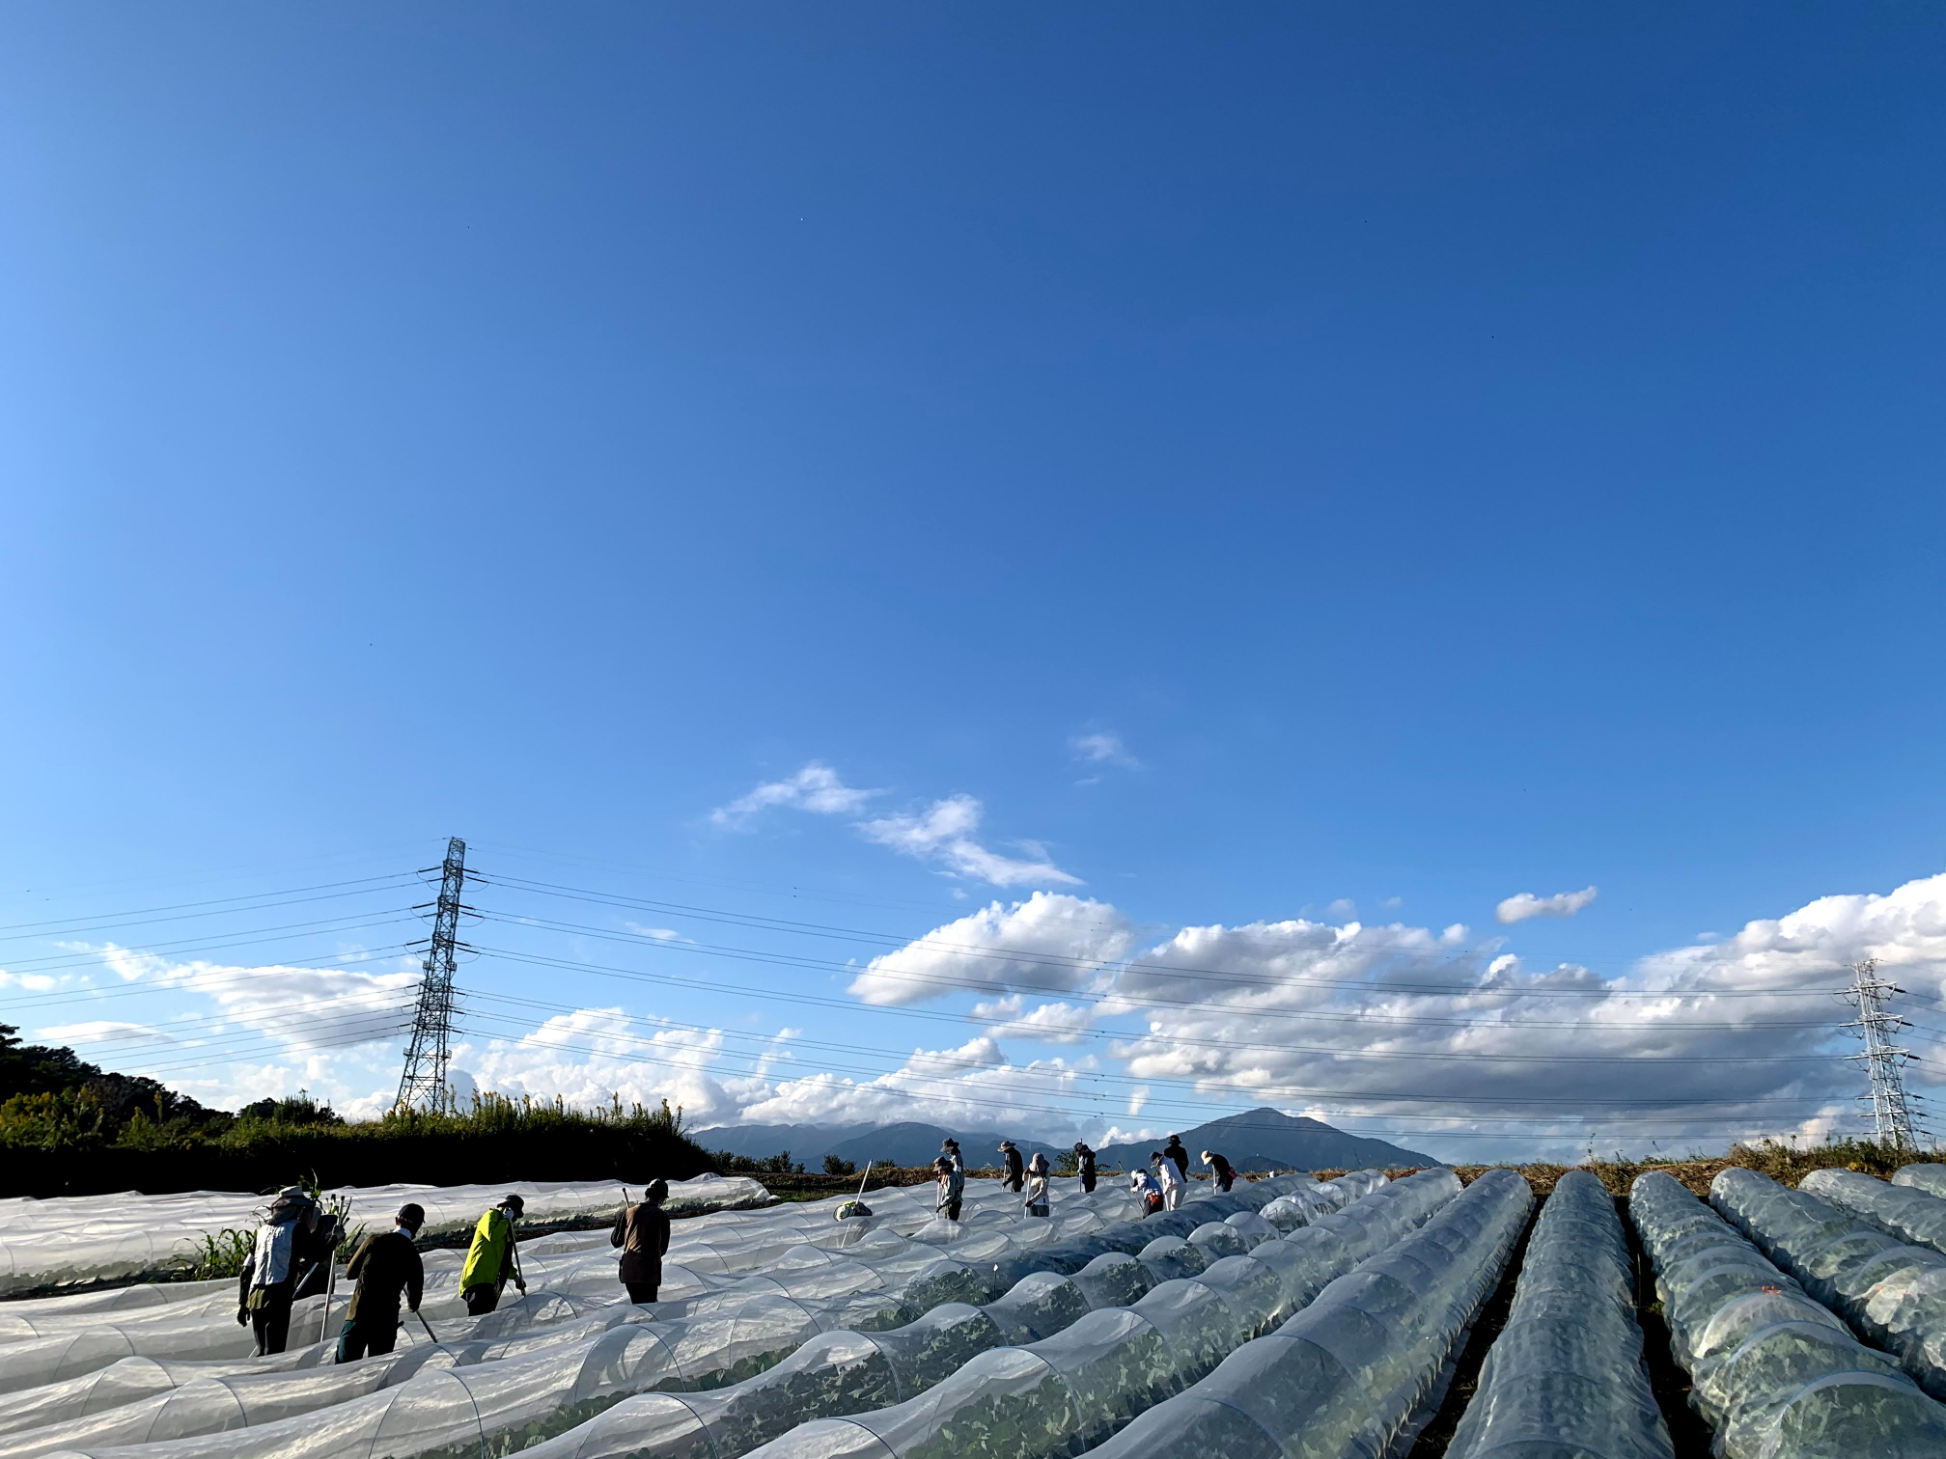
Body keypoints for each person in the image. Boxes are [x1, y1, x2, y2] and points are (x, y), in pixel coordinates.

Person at [236, 1186, 331, 1356]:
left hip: (255, 1296)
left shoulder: (262, 1231)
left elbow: (246, 1269)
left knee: (262, 1349)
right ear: (296, 1209)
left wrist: (243, 1303)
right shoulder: (296, 1228)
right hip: (277, 1295)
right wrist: (334, 1240)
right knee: (274, 1351)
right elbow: (316, 1255)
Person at [334, 1203, 426, 1363]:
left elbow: (350, 1273)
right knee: (376, 1370)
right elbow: (414, 1300)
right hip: (385, 1321)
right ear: (417, 1228)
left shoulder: (373, 1240)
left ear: (397, 1219)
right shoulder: (412, 1254)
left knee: (344, 1368)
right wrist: (411, 1303)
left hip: (358, 1314)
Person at [459, 1194, 527, 1315]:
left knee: (487, 1317)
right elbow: (492, 1235)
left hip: (492, 1282)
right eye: (515, 1213)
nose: (515, 1218)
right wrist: (506, 1220)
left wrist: (515, 1277)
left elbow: (503, 1260)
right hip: (478, 1278)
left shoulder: (506, 1229)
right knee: (478, 1315)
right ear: (508, 1209)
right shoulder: (491, 1216)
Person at [611, 1180, 671, 1303]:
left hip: (629, 1271)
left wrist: (625, 1223)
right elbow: (663, 1249)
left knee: (638, 1305)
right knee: (649, 1307)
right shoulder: (662, 1217)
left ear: (646, 1194)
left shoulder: (629, 1212)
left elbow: (616, 1241)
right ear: (662, 1198)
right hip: (649, 1272)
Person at [934, 1154, 964, 1222]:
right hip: (949, 1203)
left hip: (953, 1204)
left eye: (940, 1170)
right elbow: (945, 1190)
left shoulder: (951, 1177)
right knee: (947, 1220)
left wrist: (941, 1205)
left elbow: (950, 1194)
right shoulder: (947, 1175)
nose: (940, 1172)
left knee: (951, 1222)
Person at [1023, 1152, 1051, 1218]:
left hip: (1042, 1203)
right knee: (1034, 1223)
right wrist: (1025, 1173)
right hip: (1033, 1203)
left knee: (1042, 1223)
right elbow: (1024, 1179)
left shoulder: (1045, 1174)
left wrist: (1031, 1201)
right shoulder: (1033, 1171)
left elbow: (1041, 1191)